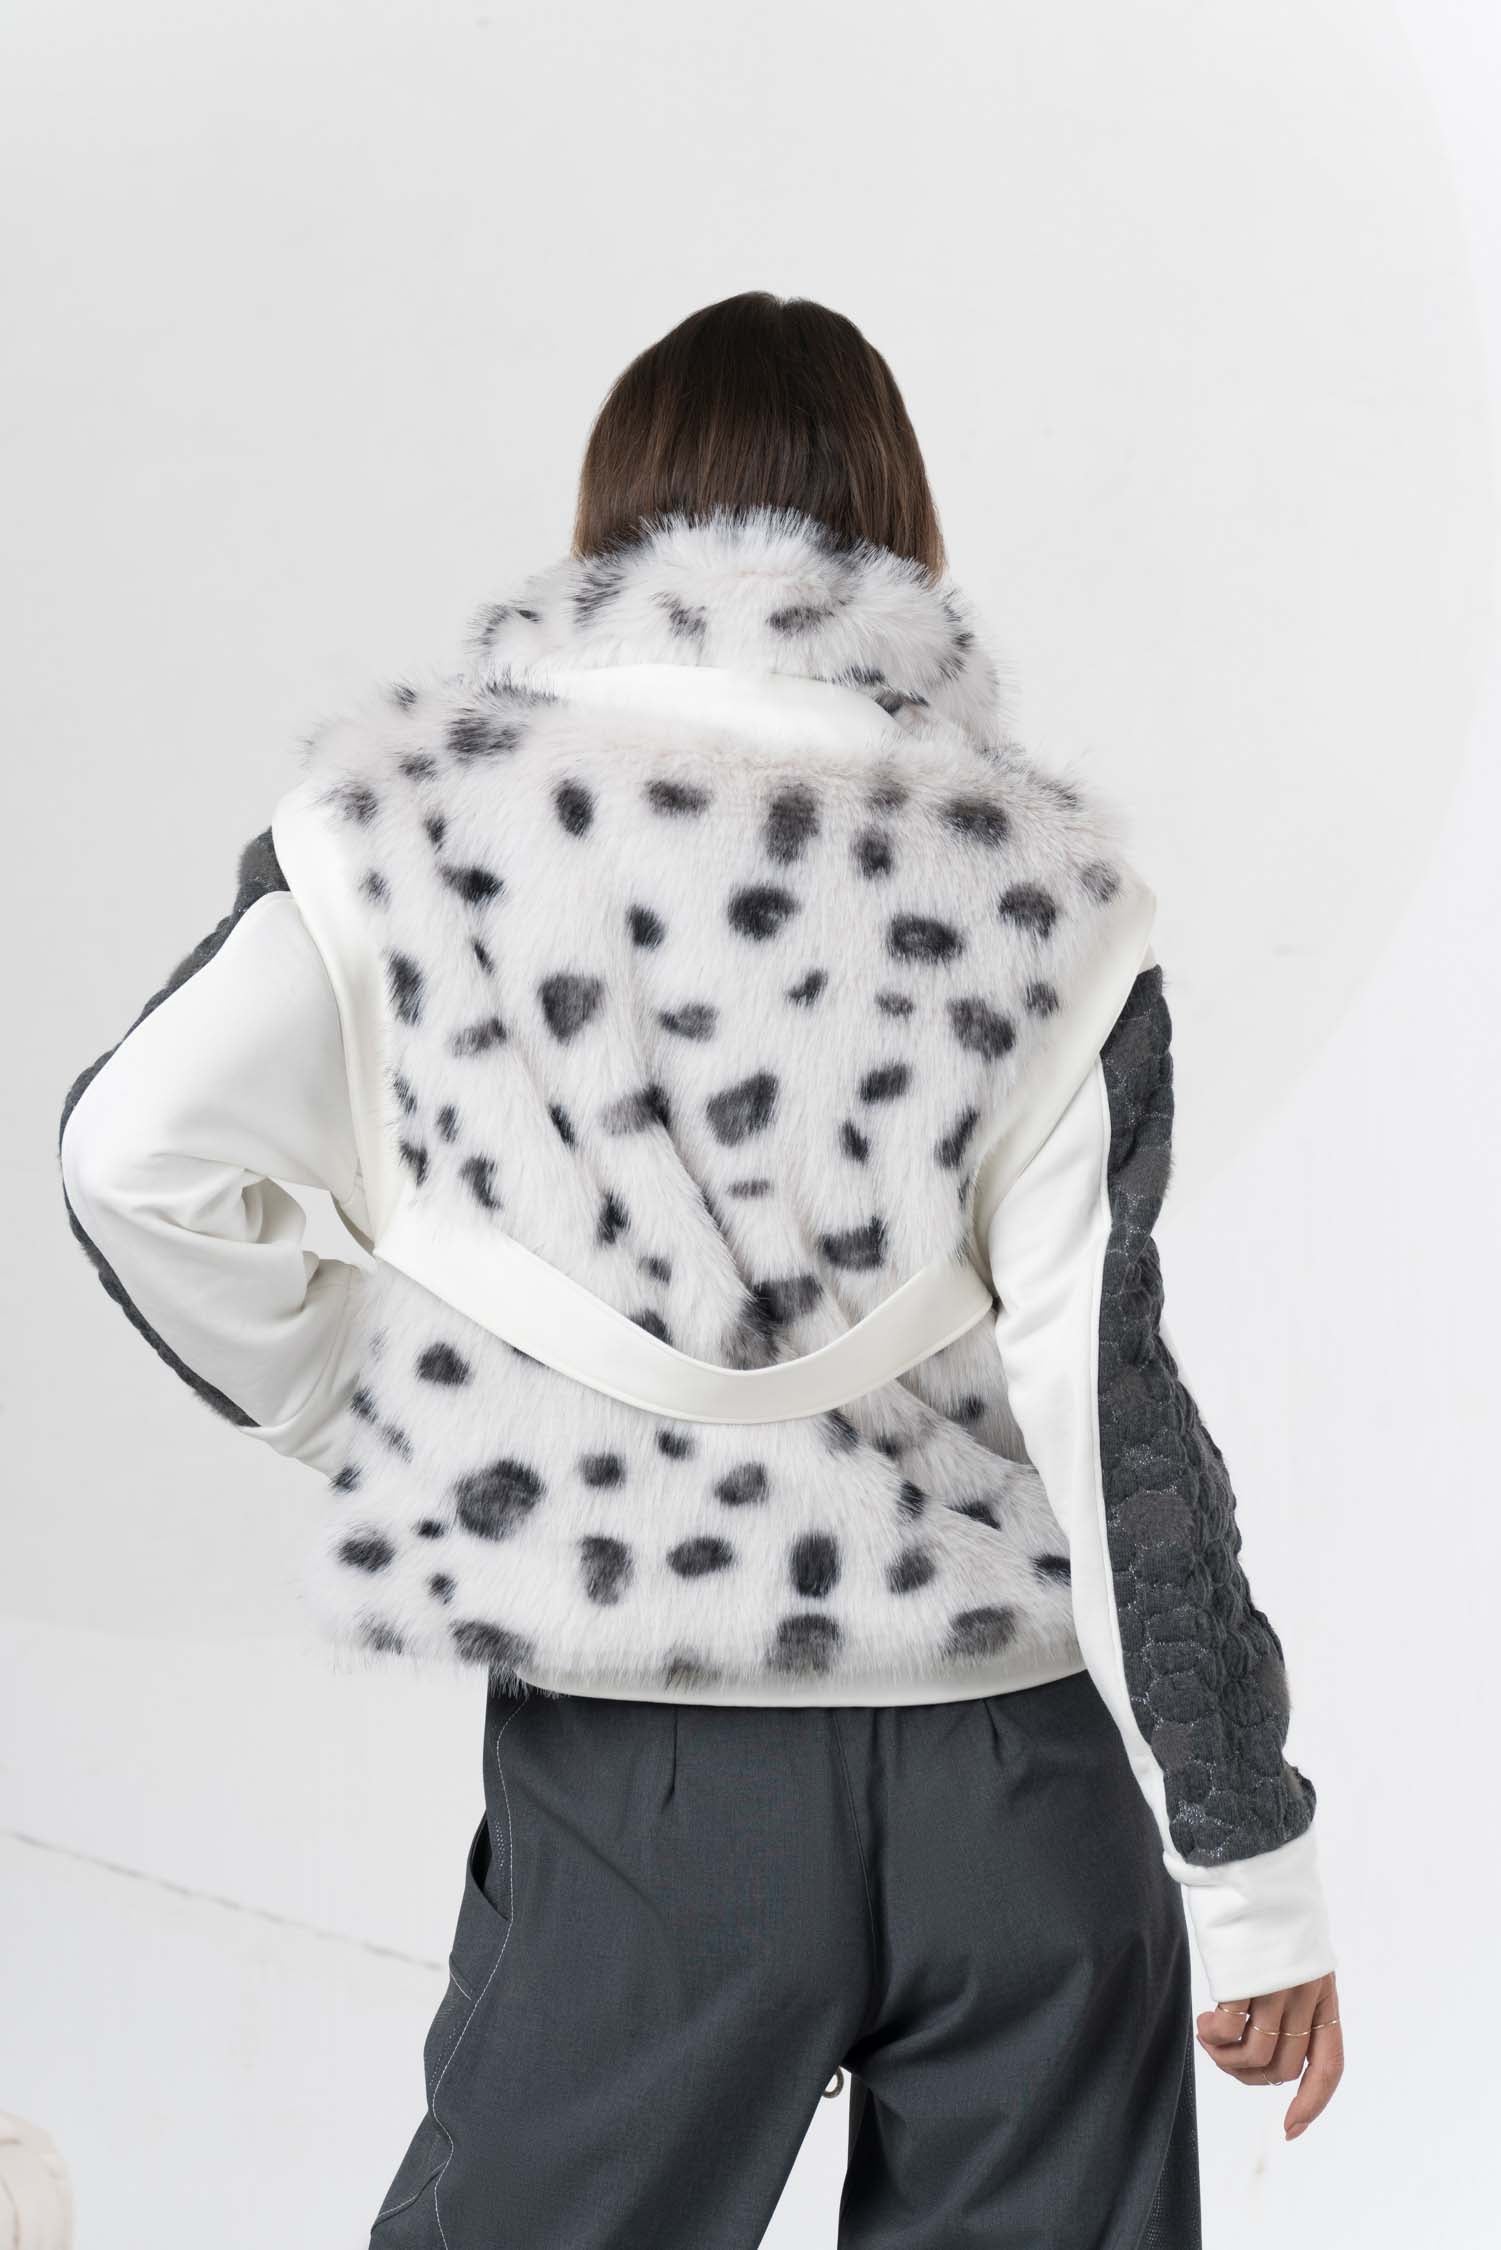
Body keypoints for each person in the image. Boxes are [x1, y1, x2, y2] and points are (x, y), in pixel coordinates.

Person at [57, 291, 1341, 2248]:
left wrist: (386, 1416)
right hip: (1021, 1776)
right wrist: (1247, 1876)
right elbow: (1114, 1410)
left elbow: (134, 1158)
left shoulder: (402, 839)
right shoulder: (1048, 895)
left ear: (614, 523)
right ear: (902, 526)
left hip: (653, 1775)